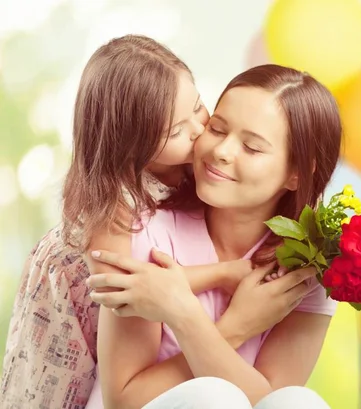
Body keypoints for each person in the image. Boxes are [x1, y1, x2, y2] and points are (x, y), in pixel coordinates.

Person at [0, 34, 274, 409]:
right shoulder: (111, 203)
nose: (197, 131)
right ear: (130, 143)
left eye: (198, 107)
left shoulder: (188, 167)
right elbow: (131, 288)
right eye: (175, 131)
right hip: (75, 326)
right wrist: (224, 274)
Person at [84, 64, 342, 408]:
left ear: (295, 173)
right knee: (214, 396)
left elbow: (268, 402)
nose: (221, 151)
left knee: (300, 403)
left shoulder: (308, 269)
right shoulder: (143, 232)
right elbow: (124, 400)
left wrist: (186, 315)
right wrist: (233, 326)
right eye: (217, 129)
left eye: (251, 147)